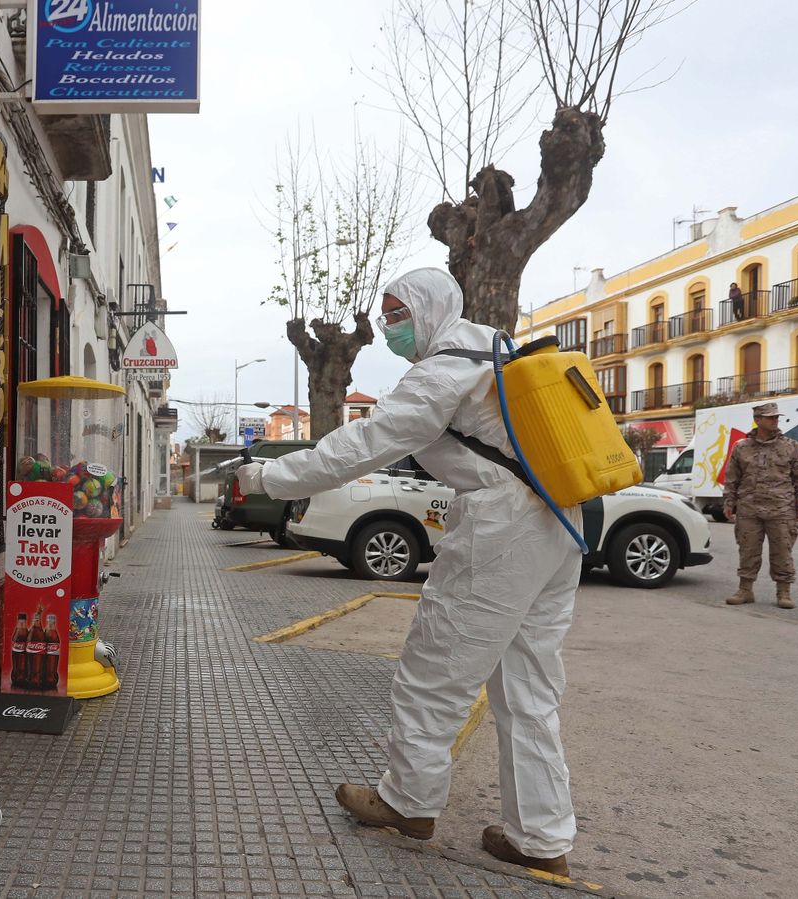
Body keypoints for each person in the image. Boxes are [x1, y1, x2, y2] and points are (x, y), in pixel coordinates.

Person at [236, 268, 582, 876]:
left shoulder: (443, 370)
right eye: (388, 313)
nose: (391, 324)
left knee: (434, 671)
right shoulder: (495, 347)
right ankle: (541, 838)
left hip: (504, 526)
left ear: (430, 308)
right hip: (562, 517)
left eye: (399, 313)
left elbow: (367, 442)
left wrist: (271, 476)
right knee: (529, 689)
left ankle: (407, 802)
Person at [723, 402, 798, 609]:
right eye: (770, 417)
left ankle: (784, 592)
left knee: (782, 551)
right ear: (758, 420)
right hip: (749, 508)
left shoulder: (791, 446)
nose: (775, 420)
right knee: (747, 550)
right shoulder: (741, 447)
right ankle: (745, 590)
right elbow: (732, 477)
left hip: (781, 508)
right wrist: (729, 503)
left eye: (776, 417)